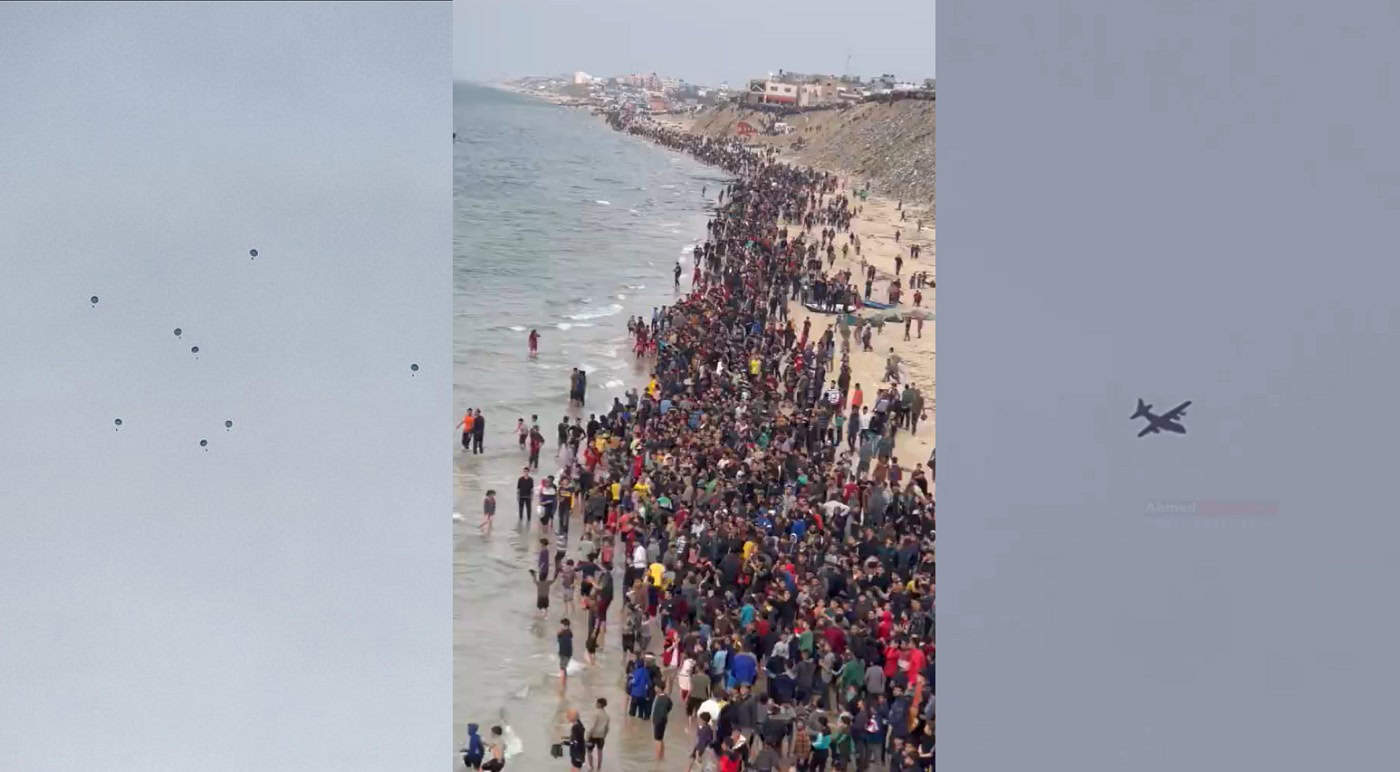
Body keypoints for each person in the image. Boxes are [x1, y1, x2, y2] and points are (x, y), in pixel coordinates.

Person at [651, 678, 674, 760]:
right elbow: (670, 705)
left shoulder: (662, 698)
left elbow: (667, 707)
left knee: (657, 740)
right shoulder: (664, 697)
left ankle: (657, 758)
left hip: (659, 721)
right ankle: (661, 756)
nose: (654, 688)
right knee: (660, 739)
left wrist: (659, 718)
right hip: (661, 720)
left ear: (659, 688)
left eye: (655, 686)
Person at [586, 697, 609, 771]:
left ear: (599, 704)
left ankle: (591, 767)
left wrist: (587, 735)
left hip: (592, 736)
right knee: (600, 752)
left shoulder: (595, 713)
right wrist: (604, 736)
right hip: (601, 736)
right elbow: (607, 728)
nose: (595, 704)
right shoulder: (606, 715)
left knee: (589, 751)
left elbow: (592, 726)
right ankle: (599, 768)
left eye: (596, 703)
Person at [557, 618, 574, 691]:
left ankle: (562, 684)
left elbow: (559, 637)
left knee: (562, 668)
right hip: (565, 653)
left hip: (564, 653)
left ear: (565, 626)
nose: (560, 627)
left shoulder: (564, 633)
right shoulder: (569, 632)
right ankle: (564, 682)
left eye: (561, 626)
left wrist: (560, 632)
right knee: (564, 667)